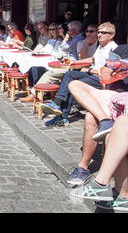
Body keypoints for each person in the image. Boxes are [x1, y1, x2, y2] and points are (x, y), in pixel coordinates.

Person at [65, 44, 128, 186]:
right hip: (112, 97)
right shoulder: (122, 50)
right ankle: (105, 120)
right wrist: (116, 76)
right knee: (75, 84)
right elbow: (104, 79)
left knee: (89, 117)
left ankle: (84, 167)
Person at [42, 22, 118, 126]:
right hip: (92, 75)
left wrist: (89, 71)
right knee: (70, 74)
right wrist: (74, 62)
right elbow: (92, 59)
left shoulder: (114, 49)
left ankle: (62, 116)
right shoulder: (101, 46)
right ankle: (57, 103)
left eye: (103, 33)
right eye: (99, 32)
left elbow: (108, 72)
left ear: (112, 35)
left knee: (74, 83)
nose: (99, 35)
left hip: (101, 79)